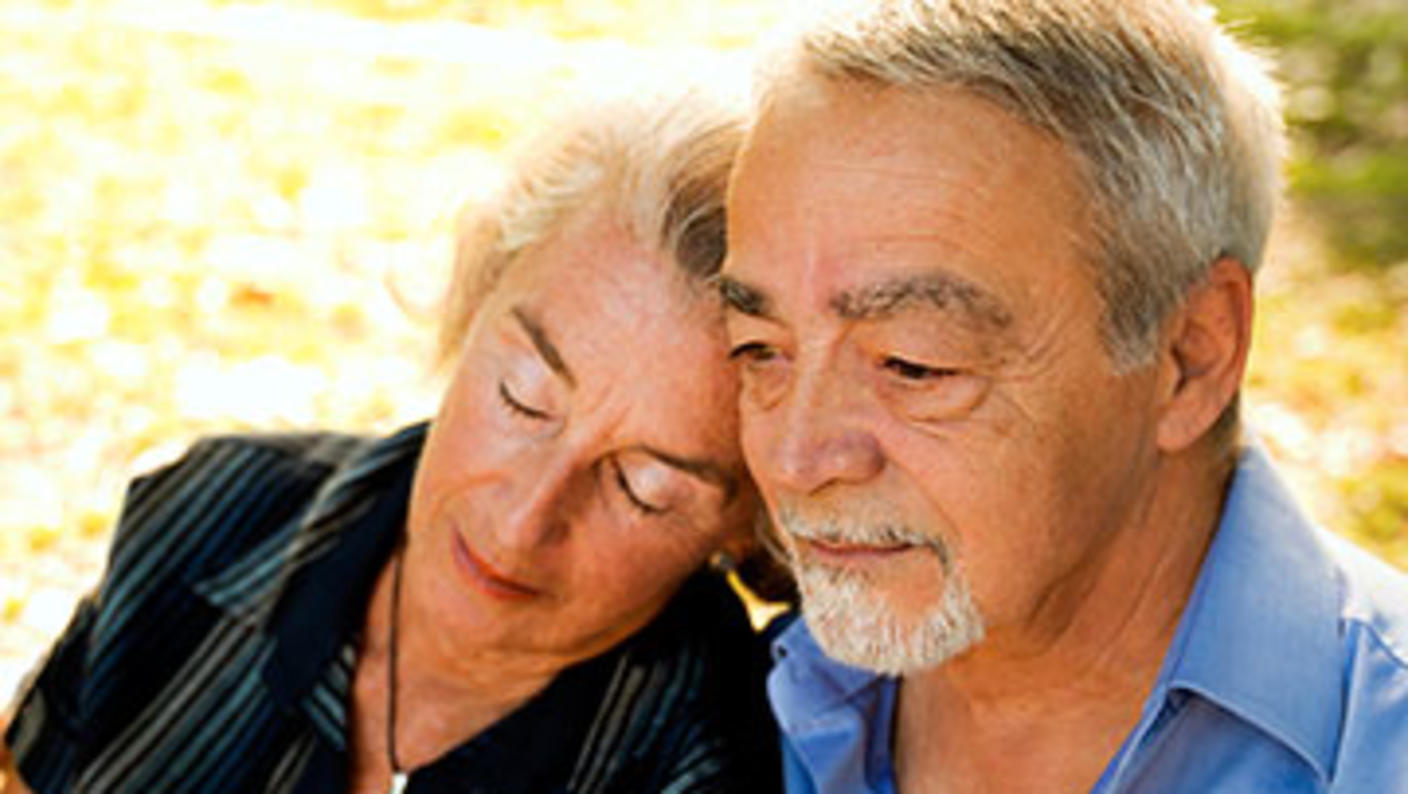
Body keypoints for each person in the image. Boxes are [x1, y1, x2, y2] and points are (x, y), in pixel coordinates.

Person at [3, 86, 782, 794]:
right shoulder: (212, 513)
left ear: (752, 523)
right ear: (474, 302)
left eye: (644, 490)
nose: (521, 523)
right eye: (522, 397)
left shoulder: (716, 765)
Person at [719, 1, 1408, 791]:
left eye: (912, 365)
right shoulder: (708, 702)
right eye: (759, 351)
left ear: (1190, 356)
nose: (796, 459)